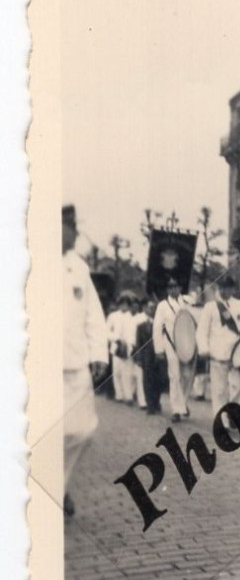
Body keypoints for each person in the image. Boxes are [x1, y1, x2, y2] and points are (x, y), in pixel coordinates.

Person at [62, 205, 108, 516]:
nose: (75, 231)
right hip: (38, 365)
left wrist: (99, 354)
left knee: (84, 429)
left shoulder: (78, 267)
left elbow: (94, 315)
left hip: (76, 362)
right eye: (69, 224)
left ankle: (57, 483)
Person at [195, 274, 240, 420]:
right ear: (218, 289)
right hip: (218, 353)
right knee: (219, 391)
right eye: (222, 288)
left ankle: (232, 413)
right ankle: (221, 421)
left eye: (228, 288)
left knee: (238, 387)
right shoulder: (210, 307)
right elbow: (202, 330)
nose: (224, 291)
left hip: (237, 354)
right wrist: (203, 348)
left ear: (233, 289)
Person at [152, 277, 195, 422]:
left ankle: (183, 403)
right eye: (170, 287)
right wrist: (159, 349)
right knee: (175, 376)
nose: (173, 289)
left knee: (188, 375)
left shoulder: (187, 302)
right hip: (170, 344)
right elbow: (157, 327)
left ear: (180, 288)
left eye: (175, 287)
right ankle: (176, 409)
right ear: (167, 290)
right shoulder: (163, 305)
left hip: (187, 344)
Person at [133, 298, 162, 415]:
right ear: (146, 309)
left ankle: (156, 402)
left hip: (158, 356)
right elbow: (138, 343)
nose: (152, 310)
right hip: (146, 357)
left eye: (154, 308)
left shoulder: (160, 323)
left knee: (159, 380)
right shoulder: (141, 326)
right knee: (147, 381)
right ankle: (150, 405)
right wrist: (139, 358)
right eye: (150, 307)